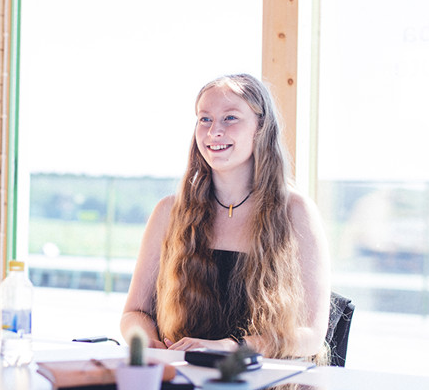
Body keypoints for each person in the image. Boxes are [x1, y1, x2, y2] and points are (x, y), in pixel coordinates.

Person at [120, 74, 330, 360]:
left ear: (261, 127)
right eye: (204, 119)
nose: (214, 131)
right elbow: (134, 313)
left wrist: (231, 347)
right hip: (183, 374)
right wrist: (150, 344)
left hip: (262, 379)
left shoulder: (296, 211)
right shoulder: (168, 212)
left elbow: (312, 336)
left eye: (230, 118)